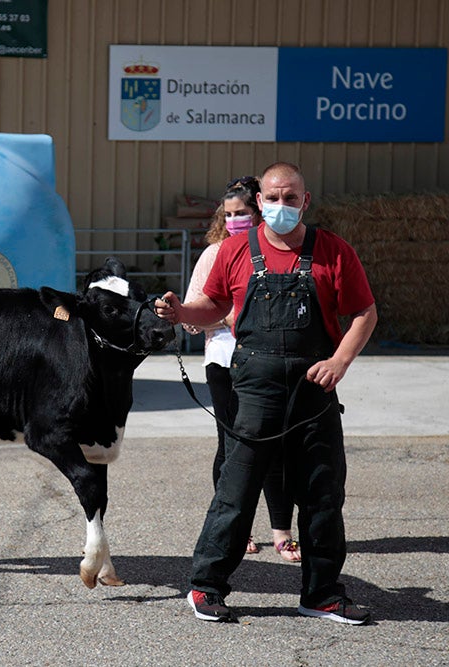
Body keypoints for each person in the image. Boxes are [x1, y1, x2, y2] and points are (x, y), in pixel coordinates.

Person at [155, 162, 377, 625]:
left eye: (290, 198)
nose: (281, 206)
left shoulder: (334, 251)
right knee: (236, 492)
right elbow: (215, 305)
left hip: (315, 389)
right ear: (260, 202)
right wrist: (181, 312)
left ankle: (321, 594)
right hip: (254, 388)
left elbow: (364, 313)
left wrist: (339, 362)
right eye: (272, 198)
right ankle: (206, 588)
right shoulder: (234, 250)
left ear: (306, 201)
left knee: (321, 493)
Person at [182, 176, 301, 563]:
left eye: (242, 213)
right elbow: (191, 315)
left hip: (270, 361)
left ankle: (282, 531)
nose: (235, 220)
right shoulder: (215, 254)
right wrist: (232, 317)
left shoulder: (280, 251)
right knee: (232, 445)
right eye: (228, 215)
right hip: (224, 360)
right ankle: (238, 527)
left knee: (277, 445)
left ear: (259, 211)